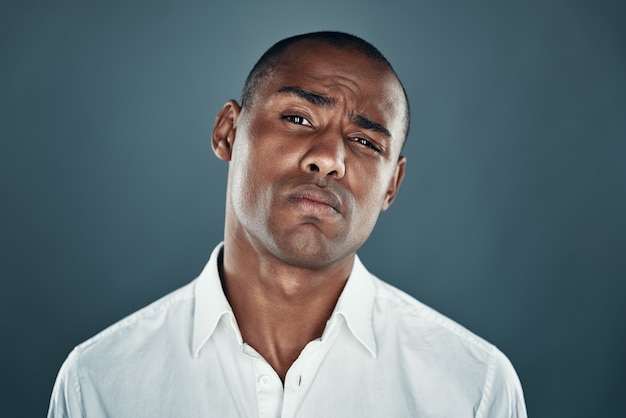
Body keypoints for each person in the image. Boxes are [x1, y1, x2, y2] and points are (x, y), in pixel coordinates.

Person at [48, 31, 527, 417]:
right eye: (299, 117)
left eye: (365, 142)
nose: (329, 159)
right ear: (228, 132)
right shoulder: (100, 381)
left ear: (391, 186)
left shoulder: (474, 390)